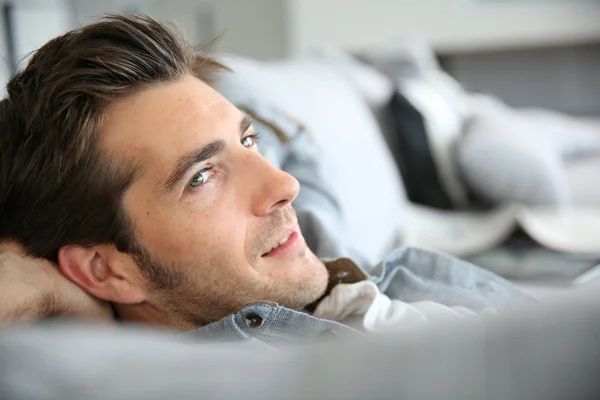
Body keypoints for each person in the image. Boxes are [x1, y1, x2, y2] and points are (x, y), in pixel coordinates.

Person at [0, 15, 530, 343]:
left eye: (248, 142)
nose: (283, 185)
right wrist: (50, 298)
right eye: (202, 176)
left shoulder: (320, 259)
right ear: (105, 270)